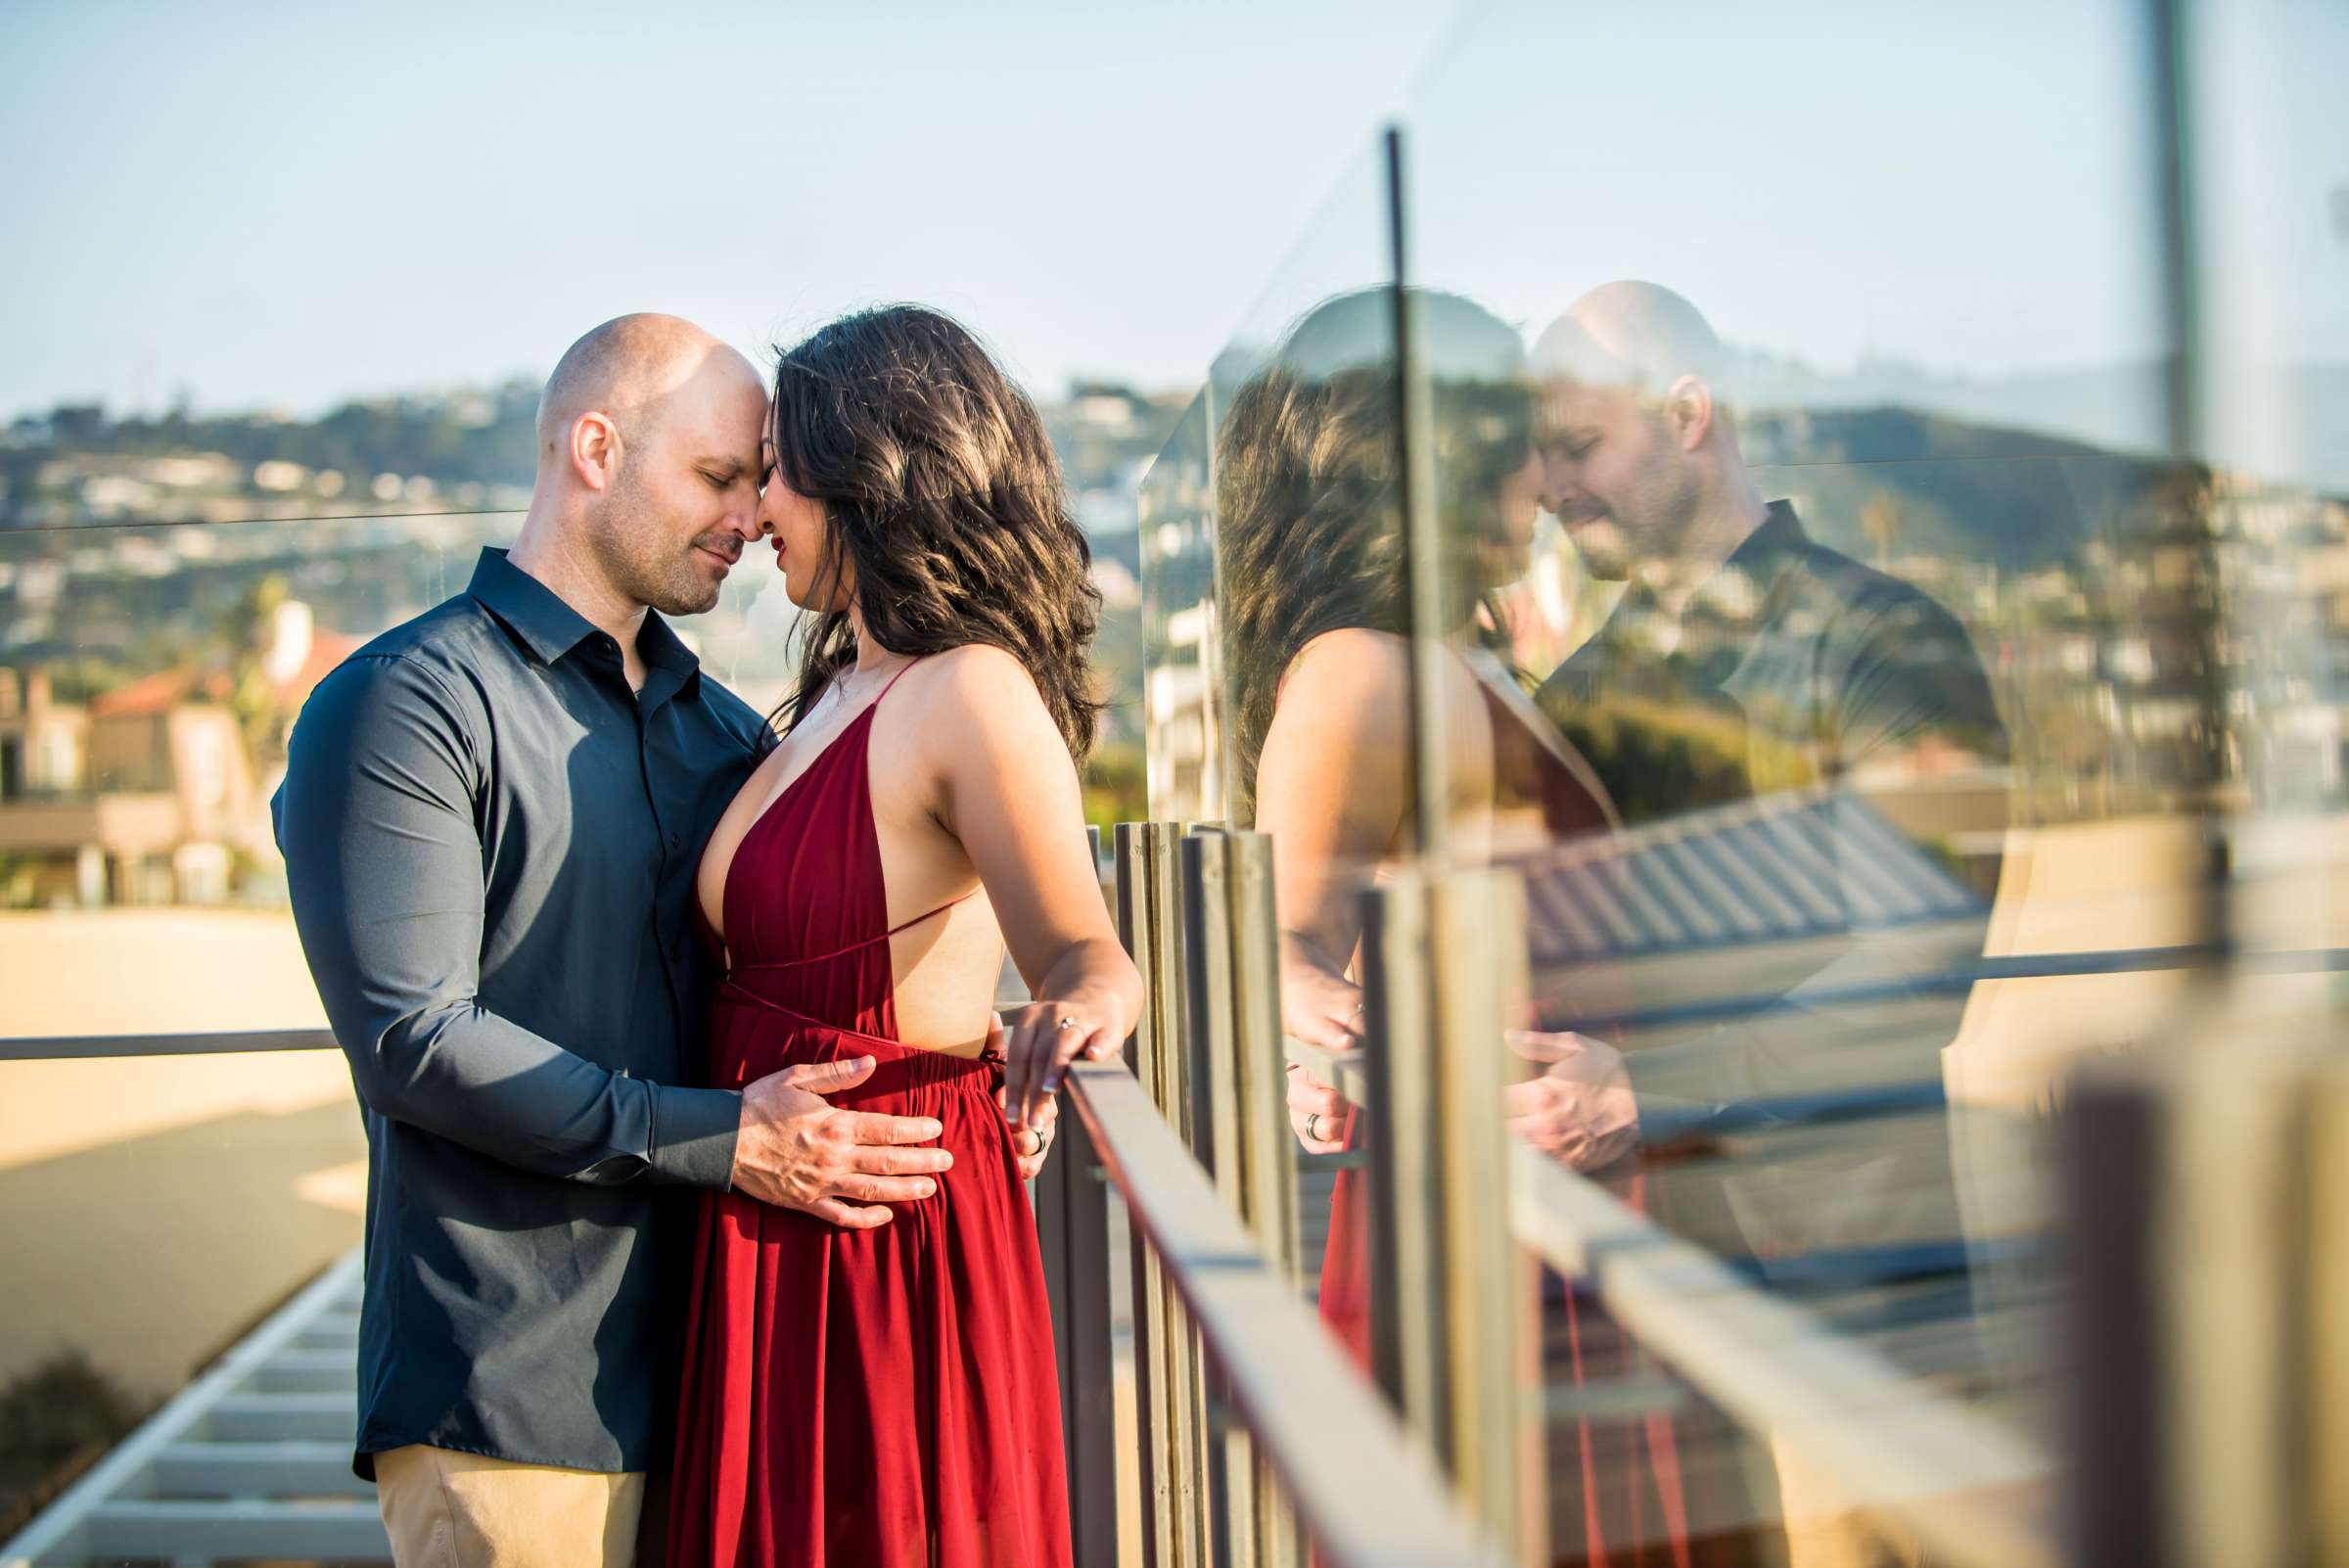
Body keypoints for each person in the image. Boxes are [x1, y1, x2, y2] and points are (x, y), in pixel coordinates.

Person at [274, 312, 1055, 1568]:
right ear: (595, 448)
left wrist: (983, 1046)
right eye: (716, 476)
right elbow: (412, 1041)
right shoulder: (405, 703)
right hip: (517, 1399)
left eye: (761, 479)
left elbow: (826, 935)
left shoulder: (732, 740)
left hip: (735, 1373)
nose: (752, 515)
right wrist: (724, 1138)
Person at [667, 304, 1140, 1568]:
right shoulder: (829, 697)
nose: (757, 507)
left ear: (866, 473)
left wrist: (1074, 1015)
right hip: (762, 1219)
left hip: (881, 1247)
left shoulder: (970, 691)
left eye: (775, 470)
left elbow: (1084, 953)